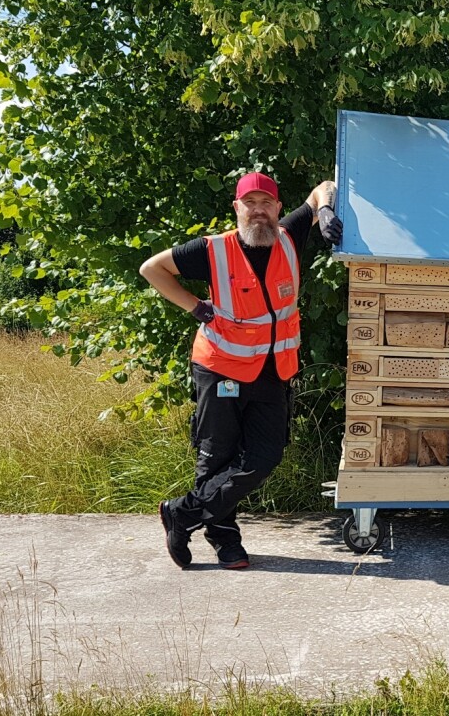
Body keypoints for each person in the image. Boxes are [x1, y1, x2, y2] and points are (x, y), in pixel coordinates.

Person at [139, 171, 342, 570]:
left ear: (278, 208)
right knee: (217, 456)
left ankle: (182, 514)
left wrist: (328, 210)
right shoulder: (212, 250)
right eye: (250, 204)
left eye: (266, 203)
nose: (259, 211)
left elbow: (321, 189)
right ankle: (225, 539)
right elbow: (152, 269)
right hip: (221, 368)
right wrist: (194, 306)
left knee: (264, 456)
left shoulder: (289, 235)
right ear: (237, 209)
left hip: (272, 369)